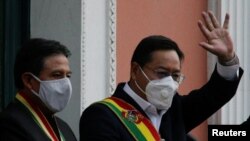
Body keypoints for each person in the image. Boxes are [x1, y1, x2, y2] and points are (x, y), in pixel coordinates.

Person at [80, 11, 243, 141]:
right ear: (135, 70)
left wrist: (227, 59)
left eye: (175, 75)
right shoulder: (102, 115)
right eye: (162, 73)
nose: (169, 82)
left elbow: (217, 93)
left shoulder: (175, 109)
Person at [0, 38, 77, 141]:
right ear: (29, 81)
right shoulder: (9, 125)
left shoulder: (64, 128)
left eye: (68, 76)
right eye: (57, 75)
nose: (65, 83)